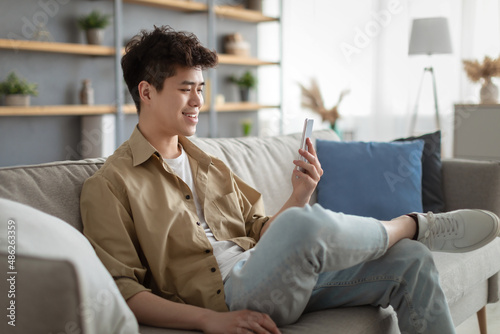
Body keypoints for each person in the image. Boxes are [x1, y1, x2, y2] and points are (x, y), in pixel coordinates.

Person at [80, 26, 500, 334]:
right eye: (186, 88)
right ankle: (413, 224)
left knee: (412, 261)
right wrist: (211, 320)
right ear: (147, 92)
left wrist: (300, 194)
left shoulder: (209, 162)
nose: (198, 102)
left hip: (272, 274)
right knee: (305, 224)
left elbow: (265, 233)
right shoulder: (111, 185)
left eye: (202, 88)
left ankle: (412, 236)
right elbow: (123, 290)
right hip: (227, 295)